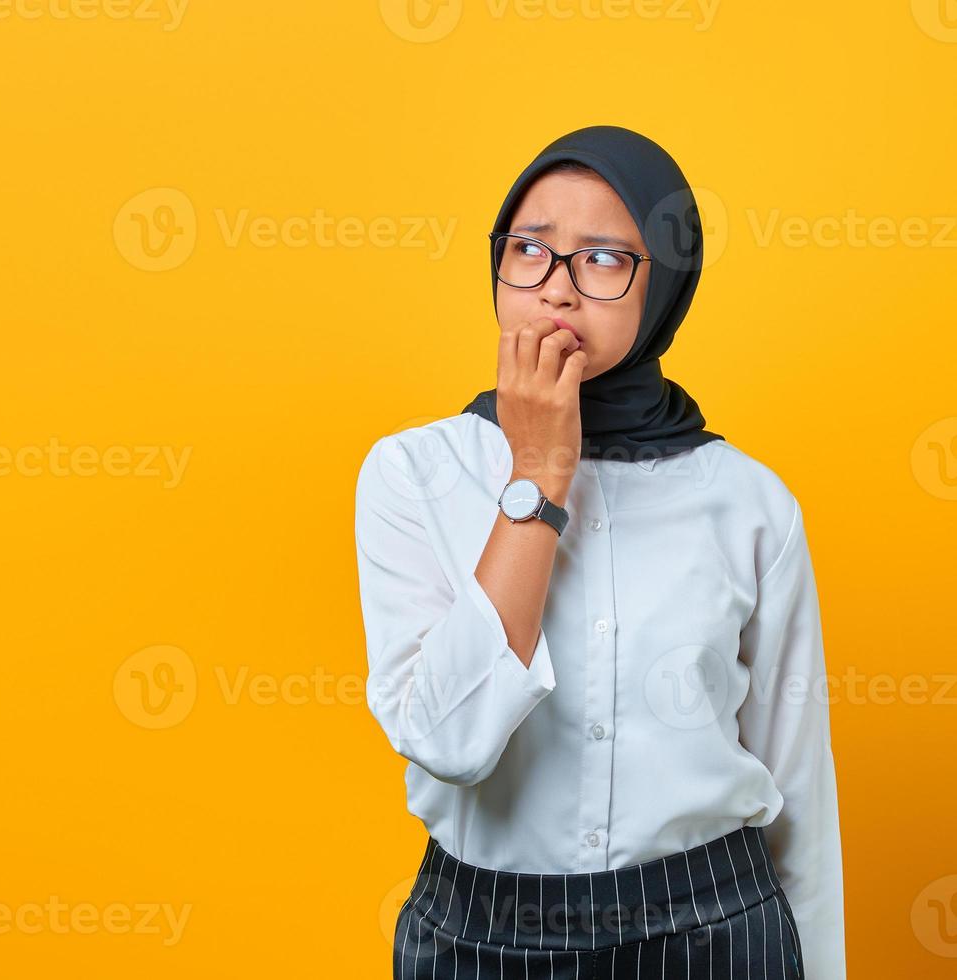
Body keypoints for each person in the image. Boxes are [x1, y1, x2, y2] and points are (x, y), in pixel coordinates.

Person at [354, 125, 844, 978]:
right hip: (481, 938)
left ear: (665, 286)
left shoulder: (748, 501)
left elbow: (797, 784)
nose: (557, 291)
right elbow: (449, 738)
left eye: (605, 259)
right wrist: (539, 470)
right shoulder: (414, 472)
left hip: (717, 931)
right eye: (531, 249)